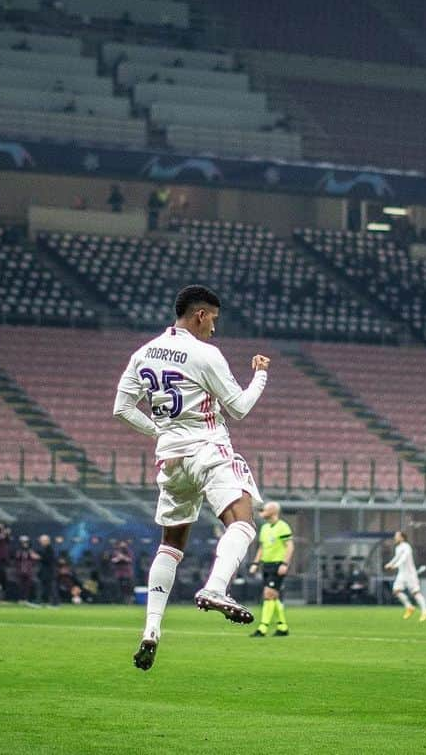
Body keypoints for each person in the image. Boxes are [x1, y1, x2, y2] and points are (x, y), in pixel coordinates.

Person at [114, 284, 270, 671]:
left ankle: (151, 630)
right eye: (213, 319)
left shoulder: (143, 352)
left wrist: (161, 433)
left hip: (169, 460)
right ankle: (216, 588)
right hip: (208, 450)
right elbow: (239, 409)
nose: (214, 328)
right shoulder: (205, 354)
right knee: (243, 521)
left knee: (170, 545)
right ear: (200, 314)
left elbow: (122, 409)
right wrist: (260, 376)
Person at [248, 500, 294, 637]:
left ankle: (263, 628)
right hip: (266, 565)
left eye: (265, 509)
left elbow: (290, 546)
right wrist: (255, 564)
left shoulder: (283, 527)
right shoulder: (265, 528)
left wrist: (285, 564)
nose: (262, 512)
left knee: (268, 594)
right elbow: (262, 548)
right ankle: (282, 627)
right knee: (274, 596)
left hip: (277, 565)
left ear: (274, 511)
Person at [384, 531, 426, 621]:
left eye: (397, 536)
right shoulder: (398, 548)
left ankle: (425, 611)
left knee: (415, 593)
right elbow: (396, 557)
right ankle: (409, 607)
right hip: (402, 574)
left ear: (402, 538)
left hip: (410, 574)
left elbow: (404, 558)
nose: (395, 538)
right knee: (396, 591)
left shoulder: (407, 547)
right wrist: (390, 563)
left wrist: (395, 566)